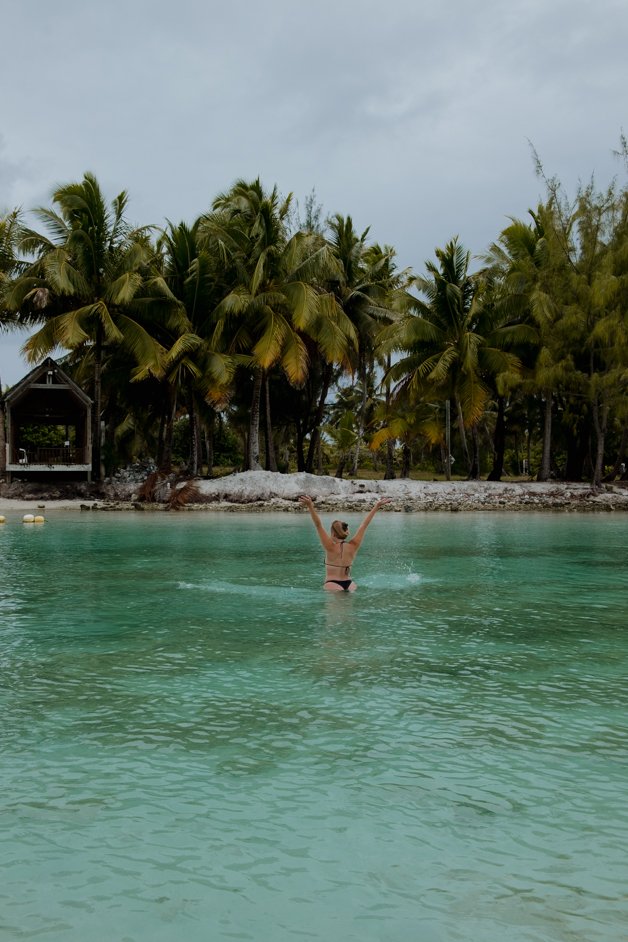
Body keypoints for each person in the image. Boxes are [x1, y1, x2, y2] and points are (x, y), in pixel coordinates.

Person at [298, 494, 391, 591]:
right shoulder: (353, 545)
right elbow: (364, 525)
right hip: (350, 584)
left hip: (332, 583)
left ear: (333, 534)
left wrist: (310, 506)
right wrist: (377, 506)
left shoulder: (330, 546)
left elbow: (318, 525)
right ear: (347, 532)